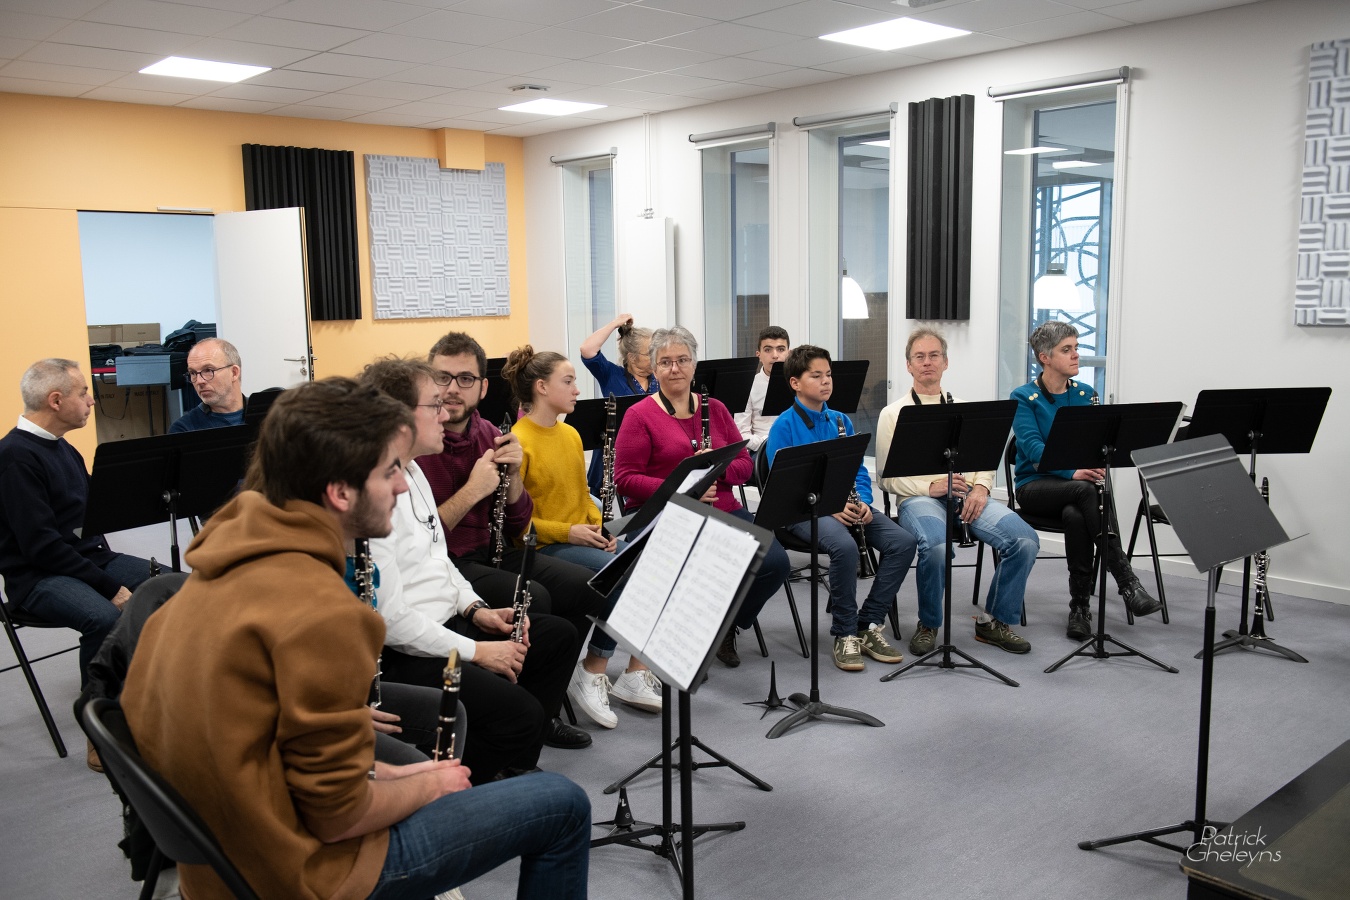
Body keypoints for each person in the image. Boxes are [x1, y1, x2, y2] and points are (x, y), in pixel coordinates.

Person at [120, 377, 590, 900]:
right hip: (303, 871)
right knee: (562, 803)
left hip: (224, 856)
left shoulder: (220, 564)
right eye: (389, 471)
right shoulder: (320, 610)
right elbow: (339, 816)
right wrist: (429, 784)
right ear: (340, 492)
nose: (401, 485)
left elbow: (275, 747)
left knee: (426, 765)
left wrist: (395, 775)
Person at [358, 356, 578, 781]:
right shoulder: (374, 491)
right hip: (409, 651)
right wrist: (480, 652)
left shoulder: (414, 471)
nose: (445, 413)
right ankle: (457, 785)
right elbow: (393, 622)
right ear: (399, 417)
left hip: (448, 623)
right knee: (522, 716)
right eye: (433, 404)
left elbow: (441, 560)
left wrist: (478, 610)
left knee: (556, 637)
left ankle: (509, 764)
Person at [416, 332, 604, 749]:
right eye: (442, 378)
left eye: (465, 379)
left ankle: (543, 708)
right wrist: (473, 489)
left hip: (496, 554)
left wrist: (515, 477)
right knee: (537, 597)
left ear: (483, 387)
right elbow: (423, 540)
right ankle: (520, 713)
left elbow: (521, 525)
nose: (451, 389)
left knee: (586, 588)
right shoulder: (419, 442)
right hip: (450, 565)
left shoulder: (491, 434)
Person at [0, 358, 154, 771]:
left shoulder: (62, 447)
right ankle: (99, 730)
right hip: (37, 577)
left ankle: (150, 703)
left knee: (172, 586)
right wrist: (109, 585)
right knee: (104, 617)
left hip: (85, 559)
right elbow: (42, 547)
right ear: (55, 400)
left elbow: (90, 522)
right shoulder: (14, 458)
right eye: (83, 392)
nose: (90, 400)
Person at [502, 345, 661, 728]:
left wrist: (599, 528)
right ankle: (591, 671)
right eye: (568, 381)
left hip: (580, 537)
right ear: (541, 387)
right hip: (546, 544)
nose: (577, 390)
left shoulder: (571, 434)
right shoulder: (519, 442)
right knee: (620, 572)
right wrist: (570, 532)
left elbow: (582, 497)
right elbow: (518, 523)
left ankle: (627, 673)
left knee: (649, 563)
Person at [613, 326, 790, 667]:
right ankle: (688, 633)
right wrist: (680, 485)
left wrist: (717, 469)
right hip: (666, 513)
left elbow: (743, 465)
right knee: (701, 564)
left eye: (682, 360)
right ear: (654, 368)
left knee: (774, 563)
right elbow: (625, 480)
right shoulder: (639, 416)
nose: (674, 368)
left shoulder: (717, 409)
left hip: (720, 508)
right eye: (665, 362)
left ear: (694, 365)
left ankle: (723, 623)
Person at [877, 328, 1041, 656]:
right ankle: (929, 623)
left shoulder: (965, 408)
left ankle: (993, 621)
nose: (927, 362)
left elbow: (984, 460)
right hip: (919, 499)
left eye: (934, 355)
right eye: (919, 357)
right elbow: (886, 478)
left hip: (967, 495)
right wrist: (929, 486)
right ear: (908, 365)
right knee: (936, 548)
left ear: (946, 362)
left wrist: (981, 488)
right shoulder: (893, 414)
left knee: (1025, 541)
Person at [763, 345, 915, 673]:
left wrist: (863, 502)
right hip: (800, 513)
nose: (825, 381)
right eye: (815, 376)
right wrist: (830, 508)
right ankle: (844, 631)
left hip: (845, 506)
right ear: (795, 383)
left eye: (828, 374)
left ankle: (868, 623)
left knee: (903, 543)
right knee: (845, 546)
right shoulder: (783, 427)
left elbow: (858, 471)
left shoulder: (840, 420)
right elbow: (785, 488)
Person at [1011, 321, 1163, 640]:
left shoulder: (1086, 394)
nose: (1076, 355)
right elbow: (1034, 450)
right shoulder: (1024, 397)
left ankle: (1079, 609)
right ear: (1044, 357)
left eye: (1076, 348)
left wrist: (1097, 464)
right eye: (1067, 350)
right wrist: (1074, 471)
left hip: (1075, 495)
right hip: (1034, 487)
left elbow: (1098, 445)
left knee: (1076, 514)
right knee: (1083, 489)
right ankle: (1126, 580)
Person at [578, 312, 659, 496]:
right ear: (631, 357)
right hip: (615, 459)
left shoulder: (659, 376)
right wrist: (615, 324)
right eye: (650, 353)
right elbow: (587, 349)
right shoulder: (611, 375)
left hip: (651, 457)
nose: (657, 358)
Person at [169, 338, 246, 432]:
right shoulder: (184, 429)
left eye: (208, 370)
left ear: (234, 373)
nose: (199, 381)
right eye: (193, 373)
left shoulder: (265, 415)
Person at [734, 325, 790, 452]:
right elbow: (741, 434)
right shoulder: (747, 385)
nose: (775, 355)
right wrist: (768, 441)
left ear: (789, 353)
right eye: (768, 350)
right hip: (762, 450)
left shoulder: (800, 383)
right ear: (758, 355)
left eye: (781, 349)